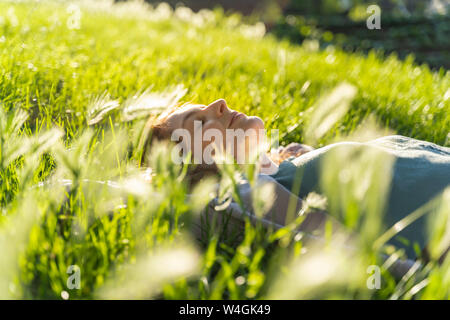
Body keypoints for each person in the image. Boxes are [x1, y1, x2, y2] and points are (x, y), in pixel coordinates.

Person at [139, 98, 450, 263]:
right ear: (197, 171)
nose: (219, 103)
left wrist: (294, 159)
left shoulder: (280, 172)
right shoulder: (256, 193)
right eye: (201, 123)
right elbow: (343, 246)